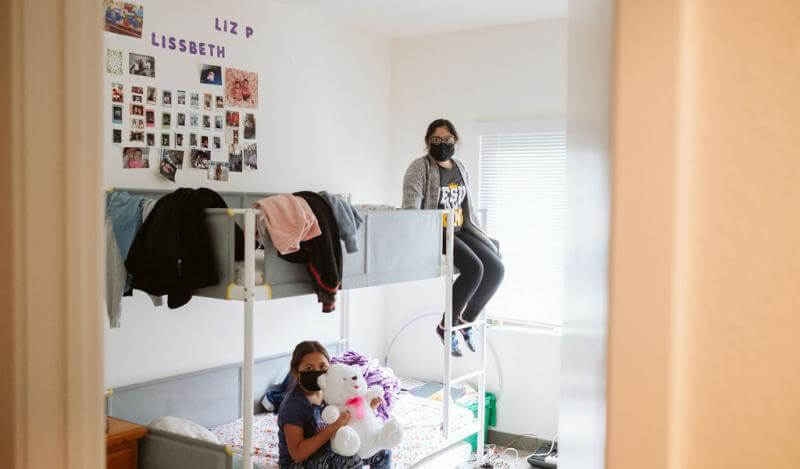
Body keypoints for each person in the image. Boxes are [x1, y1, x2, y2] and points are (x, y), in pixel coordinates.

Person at [402, 119, 504, 357]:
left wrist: (482, 237)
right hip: (436, 230)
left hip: (460, 227)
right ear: (428, 141)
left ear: (455, 141)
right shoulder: (420, 167)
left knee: (497, 269)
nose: (442, 145)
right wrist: (415, 231)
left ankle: (466, 321)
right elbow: (410, 203)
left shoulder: (460, 167)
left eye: (447, 140)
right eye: (436, 140)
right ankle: (446, 327)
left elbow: (468, 206)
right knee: (474, 269)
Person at [278, 341, 391, 469]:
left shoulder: (331, 393)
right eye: (309, 368)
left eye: (322, 367)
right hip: (297, 463)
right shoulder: (294, 405)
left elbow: (349, 417)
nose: (317, 372)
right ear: (295, 373)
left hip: (330, 449)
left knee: (381, 450)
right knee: (349, 460)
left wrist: (369, 409)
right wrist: (334, 427)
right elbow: (297, 454)